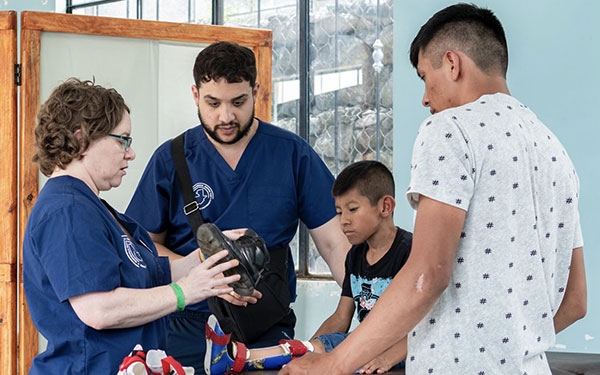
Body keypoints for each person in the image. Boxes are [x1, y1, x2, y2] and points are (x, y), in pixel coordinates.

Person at [280, 3, 587, 375]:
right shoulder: (554, 150)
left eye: (426, 77)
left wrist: (333, 365)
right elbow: (575, 302)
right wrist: (512, 346)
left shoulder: (450, 129)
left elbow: (427, 275)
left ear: (453, 63)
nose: (425, 98)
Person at [125, 41, 350, 373]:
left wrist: (372, 308)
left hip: (265, 325)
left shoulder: (292, 154)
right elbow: (143, 249)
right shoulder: (171, 159)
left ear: (256, 90)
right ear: (195, 94)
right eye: (212, 103)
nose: (226, 116)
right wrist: (211, 272)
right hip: (186, 324)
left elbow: (335, 245)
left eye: (238, 102)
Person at [22, 78, 242, 375]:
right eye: (122, 140)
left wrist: (209, 258)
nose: (130, 153)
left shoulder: (95, 208)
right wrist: (184, 292)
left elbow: (150, 275)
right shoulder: (67, 210)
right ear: (82, 139)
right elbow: (98, 309)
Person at [204, 160, 411, 375]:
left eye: (352, 209)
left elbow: (424, 325)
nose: (344, 221)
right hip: (364, 345)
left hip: (397, 351)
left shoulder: (410, 253)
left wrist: (388, 358)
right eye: (339, 212)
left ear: (385, 207)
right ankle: (235, 357)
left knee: (335, 344)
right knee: (329, 344)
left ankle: (237, 356)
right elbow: (341, 317)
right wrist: (309, 351)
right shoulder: (356, 255)